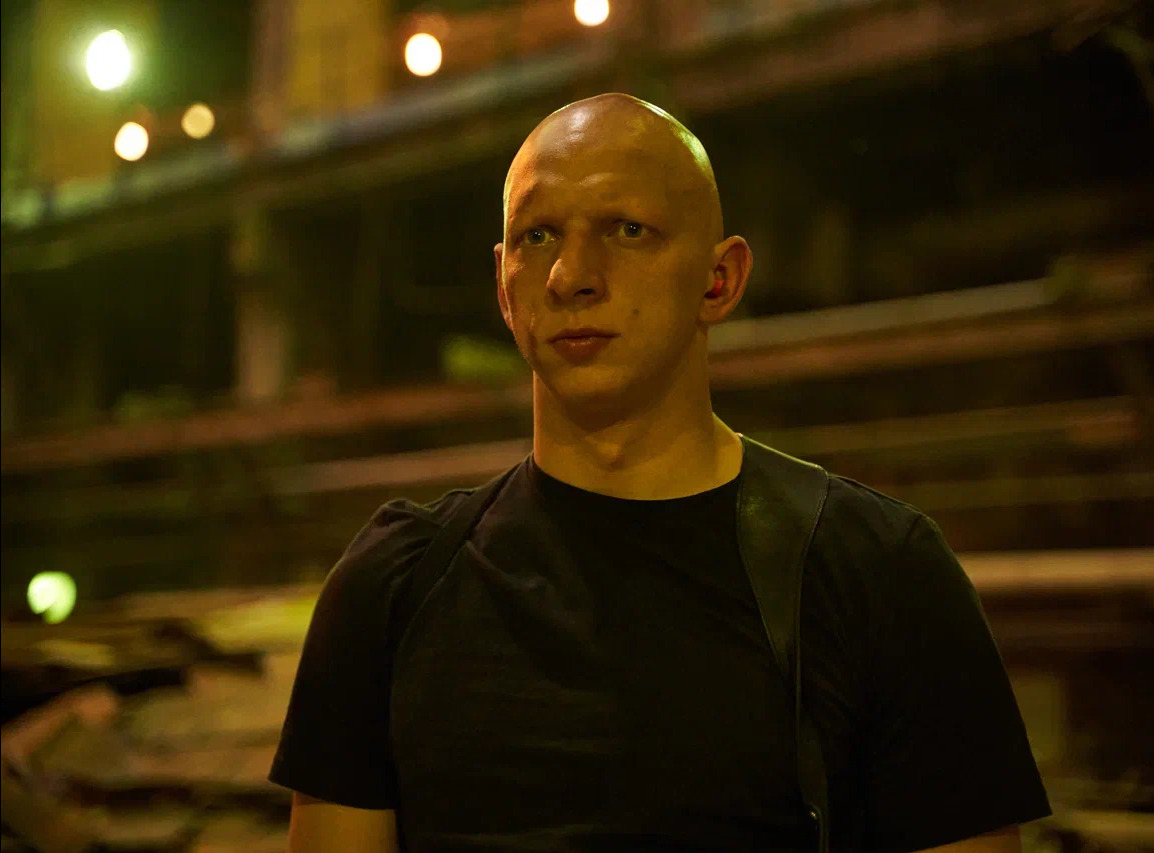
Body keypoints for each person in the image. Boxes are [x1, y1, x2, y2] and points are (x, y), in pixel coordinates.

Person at [269, 94, 1051, 852]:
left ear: (719, 280)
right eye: (539, 235)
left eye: (628, 229)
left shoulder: (878, 574)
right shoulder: (394, 588)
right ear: (504, 288)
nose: (572, 274)